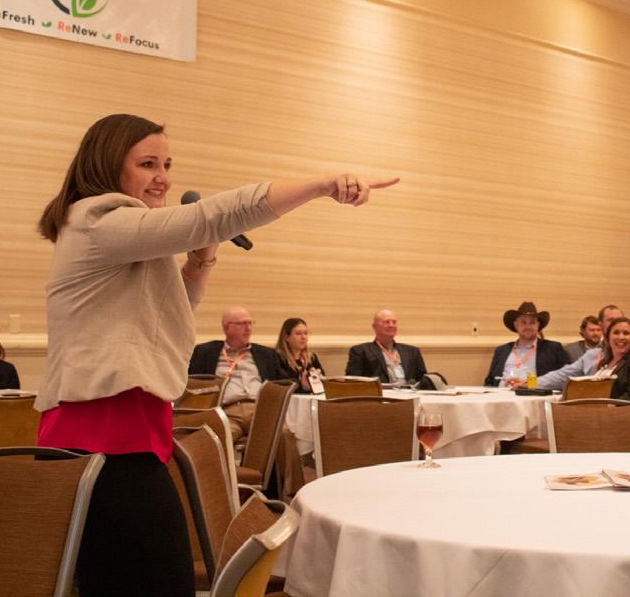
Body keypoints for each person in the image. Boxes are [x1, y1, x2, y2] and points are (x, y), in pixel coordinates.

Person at [34, 113, 396, 596]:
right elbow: (215, 214)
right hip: (101, 441)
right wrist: (321, 185)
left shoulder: (125, 236)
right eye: (147, 164)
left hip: (130, 433)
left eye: (167, 164)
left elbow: (172, 312)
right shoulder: (98, 220)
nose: (163, 178)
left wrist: (203, 256)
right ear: (107, 165)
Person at [189, 306, 283, 441]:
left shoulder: (266, 354)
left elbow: (283, 381)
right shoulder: (206, 352)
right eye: (242, 324)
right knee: (215, 439)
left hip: (259, 410)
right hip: (226, 412)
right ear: (227, 328)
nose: (248, 328)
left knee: (284, 434)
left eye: (250, 323)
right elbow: (190, 382)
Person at [523, 304, 630, 391]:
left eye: (620, 319)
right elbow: (563, 375)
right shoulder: (593, 354)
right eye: (611, 320)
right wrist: (530, 383)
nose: (617, 323)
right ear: (601, 324)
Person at [484, 301, 569, 387]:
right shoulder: (501, 351)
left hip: (532, 393)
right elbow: (489, 382)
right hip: (501, 393)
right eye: (523, 322)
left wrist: (525, 385)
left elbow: (566, 378)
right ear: (516, 325)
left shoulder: (553, 349)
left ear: (538, 325)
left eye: (532, 322)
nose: (528, 327)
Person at [347, 309, 427, 385]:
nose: (391, 325)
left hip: (410, 393)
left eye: (394, 322)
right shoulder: (361, 351)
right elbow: (353, 382)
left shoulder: (412, 352)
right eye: (386, 322)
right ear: (374, 326)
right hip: (380, 393)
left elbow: (423, 381)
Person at [592, 317, 630, 401]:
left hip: (621, 408)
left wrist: (607, 406)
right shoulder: (603, 362)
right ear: (608, 338)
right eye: (616, 333)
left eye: (626, 333)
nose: (621, 337)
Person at [274, 317, 324, 393]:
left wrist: (319, 378)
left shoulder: (312, 357)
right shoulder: (277, 358)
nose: (304, 337)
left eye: (306, 333)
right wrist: (301, 385)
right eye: (298, 333)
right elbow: (282, 385)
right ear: (287, 337)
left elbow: (324, 382)